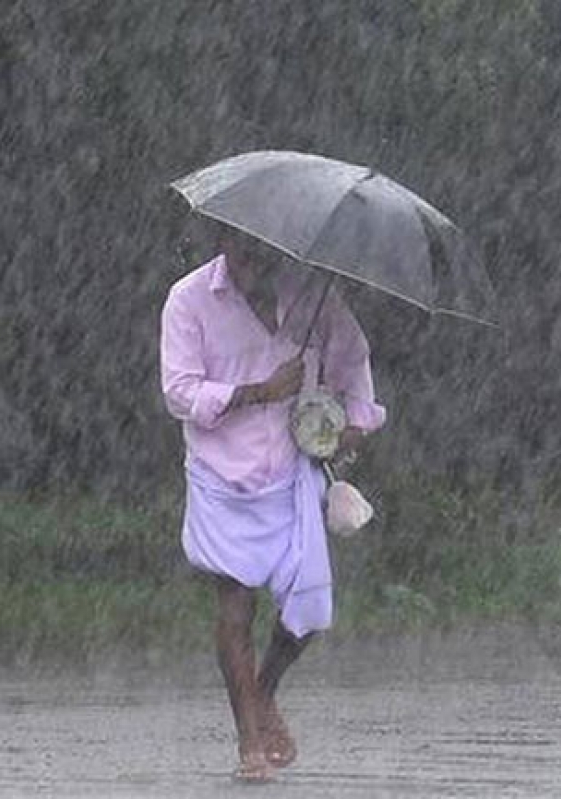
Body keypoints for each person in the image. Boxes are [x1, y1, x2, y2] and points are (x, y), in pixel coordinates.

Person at [160, 228, 386, 782]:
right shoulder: (188, 299)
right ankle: (248, 745)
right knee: (236, 608)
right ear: (221, 243)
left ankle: (262, 692)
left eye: (263, 250)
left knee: (308, 611)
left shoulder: (316, 298)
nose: (252, 259)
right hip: (221, 477)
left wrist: (353, 426)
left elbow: (354, 367)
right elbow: (179, 391)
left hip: (292, 473)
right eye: (241, 248)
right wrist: (256, 391)